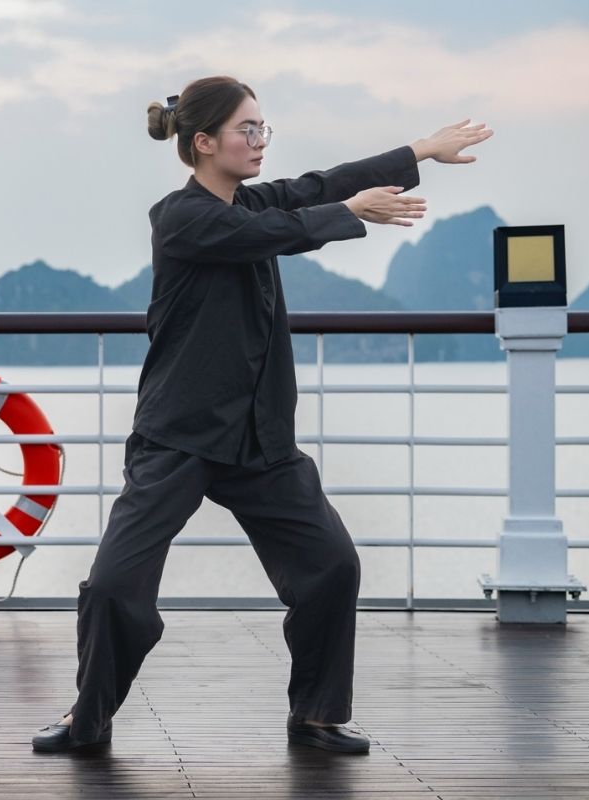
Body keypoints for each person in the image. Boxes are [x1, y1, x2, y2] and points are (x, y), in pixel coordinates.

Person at [32, 75, 492, 754]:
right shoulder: (181, 217)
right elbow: (283, 227)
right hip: (179, 436)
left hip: (258, 437)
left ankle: (316, 714)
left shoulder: (249, 202)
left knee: (332, 565)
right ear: (203, 143)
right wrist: (352, 214)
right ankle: (88, 720)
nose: (258, 140)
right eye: (247, 129)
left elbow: (313, 187)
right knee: (111, 588)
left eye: (261, 127)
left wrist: (420, 149)